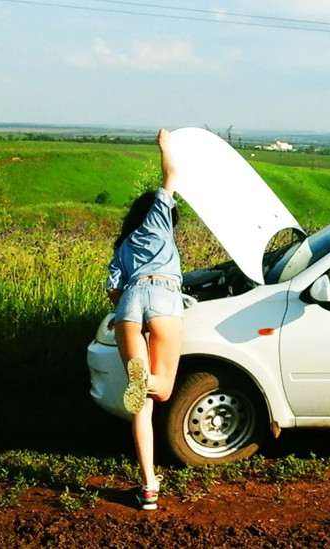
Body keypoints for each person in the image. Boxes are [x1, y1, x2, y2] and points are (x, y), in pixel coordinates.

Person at [105, 128, 183, 511]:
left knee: (141, 405)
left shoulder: (122, 247)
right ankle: (145, 379)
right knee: (163, 389)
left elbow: (113, 293)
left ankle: (149, 487)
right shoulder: (159, 222)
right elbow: (170, 177)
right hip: (165, 296)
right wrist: (165, 147)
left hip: (129, 305)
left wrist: (123, 312)